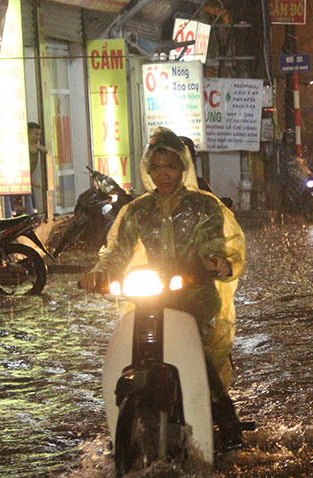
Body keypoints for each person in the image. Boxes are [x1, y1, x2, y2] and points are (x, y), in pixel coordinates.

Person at [79, 127, 248, 449]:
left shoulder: (205, 207)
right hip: (153, 294)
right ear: (148, 170)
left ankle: (228, 426)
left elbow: (216, 241)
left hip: (195, 296)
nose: (163, 174)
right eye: (156, 167)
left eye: (170, 166)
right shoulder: (137, 211)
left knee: (203, 364)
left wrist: (215, 260)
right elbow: (117, 251)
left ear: (183, 168)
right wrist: (98, 274)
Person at [6, 122, 46, 217]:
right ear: (27, 134)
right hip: (19, 175)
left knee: (27, 193)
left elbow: (45, 150)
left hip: (27, 175)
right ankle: (17, 207)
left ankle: (28, 210)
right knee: (22, 193)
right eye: (36, 134)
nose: (38, 137)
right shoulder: (25, 145)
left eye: (39, 135)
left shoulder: (35, 145)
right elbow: (33, 150)